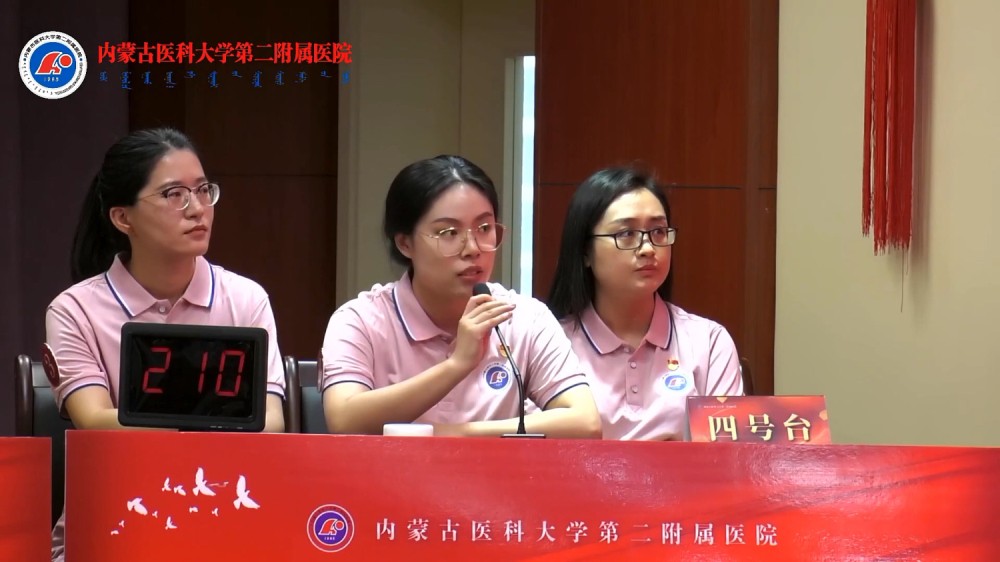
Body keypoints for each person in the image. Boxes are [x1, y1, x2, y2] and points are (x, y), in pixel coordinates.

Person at [46, 128, 286, 561]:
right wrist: (216, 425)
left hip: (225, 519)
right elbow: (95, 423)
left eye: (203, 190)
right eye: (174, 194)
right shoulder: (74, 310)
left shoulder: (246, 299)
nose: (198, 209)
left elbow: (270, 425)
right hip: (114, 524)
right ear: (123, 218)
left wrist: (168, 429)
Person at [320, 155, 601, 438]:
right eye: (449, 233)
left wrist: (451, 434)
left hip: (494, 469)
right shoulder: (360, 321)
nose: (473, 249)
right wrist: (457, 364)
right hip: (389, 469)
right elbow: (344, 420)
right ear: (405, 243)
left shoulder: (524, 318)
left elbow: (584, 424)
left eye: (484, 229)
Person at [547, 167, 743, 441]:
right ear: (585, 252)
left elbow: (727, 454)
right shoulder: (551, 344)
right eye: (626, 234)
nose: (648, 248)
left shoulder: (709, 342)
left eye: (659, 231)